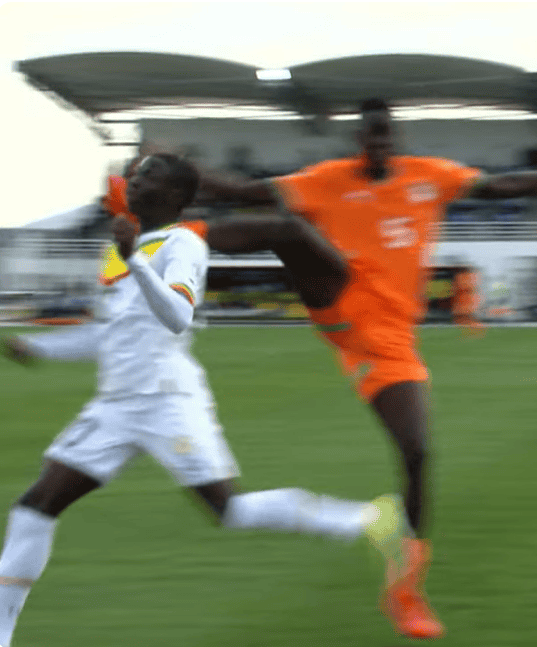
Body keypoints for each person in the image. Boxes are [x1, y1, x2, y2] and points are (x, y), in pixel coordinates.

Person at [183, 98, 537, 639]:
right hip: (340, 298)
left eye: (386, 136)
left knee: (418, 453)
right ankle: (173, 238)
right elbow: (247, 192)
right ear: (360, 140)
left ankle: (405, 590)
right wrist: (189, 173)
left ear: (395, 139)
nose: (379, 145)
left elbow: (502, 186)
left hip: (389, 341)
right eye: (371, 136)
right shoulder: (329, 179)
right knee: (286, 229)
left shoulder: (430, 176)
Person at [0, 154, 407, 647]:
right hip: (115, 406)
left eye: (148, 176)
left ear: (176, 196)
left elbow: (177, 316)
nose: (134, 181)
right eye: (136, 174)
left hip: (168, 401)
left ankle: (367, 520)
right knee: (35, 506)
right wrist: (36, 347)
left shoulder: (183, 244)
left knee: (230, 511)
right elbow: (109, 333)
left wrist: (134, 261)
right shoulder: (120, 249)